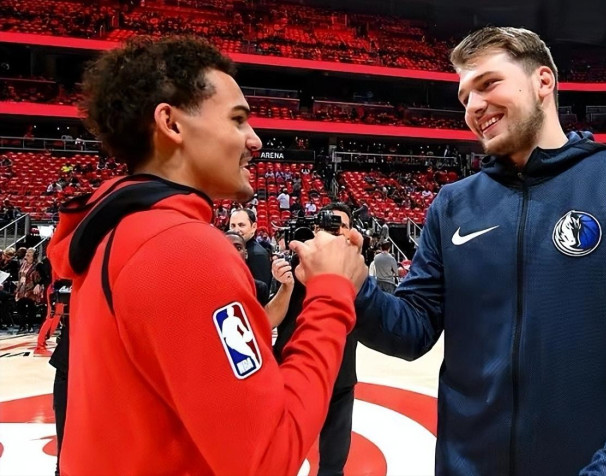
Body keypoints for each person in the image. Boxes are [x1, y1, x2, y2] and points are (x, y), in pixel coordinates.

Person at [353, 26, 606, 475]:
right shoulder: (453, 204)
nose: (473, 106)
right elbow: (412, 330)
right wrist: (355, 289)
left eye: (488, 83)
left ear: (543, 81)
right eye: (465, 97)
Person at [46, 36, 367, 475]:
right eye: (238, 120)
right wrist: (331, 293)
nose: (254, 140)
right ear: (171, 124)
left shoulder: (116, 230)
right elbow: (267, 459)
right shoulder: (182, 248)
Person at [274, 202, 359, 476]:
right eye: (330, 226)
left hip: (341, 372)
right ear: (316, 230)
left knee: (334, 461)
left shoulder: (357, 268)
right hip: (291, 366)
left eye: (342, 226)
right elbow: (273, 318)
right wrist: (286, 285)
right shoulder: (295, 263)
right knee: (277, 454)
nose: (337, 232)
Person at [225, 230, 294, 327]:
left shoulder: (259, 288)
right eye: (227, 247)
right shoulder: (209, 286)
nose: (233, 251)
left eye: (238, 247)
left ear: (246, 253)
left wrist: (287, 285)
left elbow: (267, 322)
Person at [229, 208, 272, 286]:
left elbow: (260, 290)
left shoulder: (258, 255)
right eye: (233, 226)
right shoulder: (231, 250)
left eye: (241, 225)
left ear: (254, 227)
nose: (236, 230)